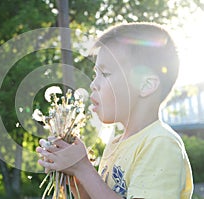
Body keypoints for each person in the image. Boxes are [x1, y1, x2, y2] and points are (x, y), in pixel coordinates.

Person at [36, 22, 193, 199]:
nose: (93, 84)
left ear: (146, 85)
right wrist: (76, 178)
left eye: (105, 74)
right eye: (95, 74)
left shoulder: (161, 143)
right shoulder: (116, 144)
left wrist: (84, 168)